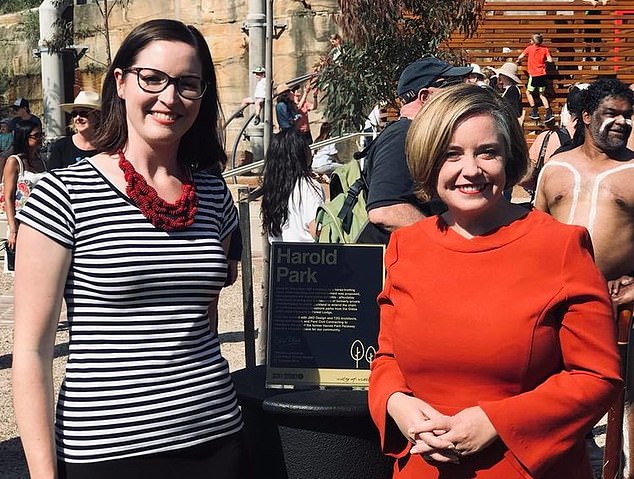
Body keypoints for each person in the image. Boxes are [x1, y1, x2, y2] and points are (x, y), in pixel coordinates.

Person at [12, 19, 251, 479]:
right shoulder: (62, 194)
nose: (169, 97)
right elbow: (31, 351)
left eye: (188, 84)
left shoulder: (213, 194)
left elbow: (201, 318)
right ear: (120, 83)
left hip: (217, 438)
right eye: (153, 78)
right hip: (107, 452)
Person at [368, 83, 621, 478]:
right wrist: (397, 404)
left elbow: (596, 377)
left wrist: (496, 421)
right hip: (425, 463)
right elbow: (387, 359)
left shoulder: (560, 247)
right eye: (451, 154)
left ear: (509, 158)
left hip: (524, 466)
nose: (470, 170)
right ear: (429, 162)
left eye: (487, 152)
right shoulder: (406, 246)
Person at [365, 56, 472, 236]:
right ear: (425, 96)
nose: (459, 91)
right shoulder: (402, 135)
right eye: (451, 85)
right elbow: (385, 210)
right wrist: (448, 242)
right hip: (400, 259)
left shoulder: (417, 135)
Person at [261, 128, 324, 242]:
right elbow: (318, 231)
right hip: (307, 256)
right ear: (300, 154)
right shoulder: (309, 188)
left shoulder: (273, 189)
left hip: (279, 256)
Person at [1, 122, 46, 254]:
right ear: (25, 137)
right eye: (36, 136)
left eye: (41, 135)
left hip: (42, 219)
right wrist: (13, 228)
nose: (40, 138)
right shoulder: (14, 162)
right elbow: (8, 197)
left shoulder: (42, 161)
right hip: (22, 220)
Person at [47, 90, 101, 169]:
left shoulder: (106, 147)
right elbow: (52, 177)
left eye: (83, 113)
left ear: (97, 116)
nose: (78, 118)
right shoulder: (61, 146)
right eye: (74, 114)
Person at [516, 33, 554, 122]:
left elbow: (520, 57)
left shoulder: (529, 48)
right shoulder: (545, 49)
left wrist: (518, 60)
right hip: (542, 74)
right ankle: (548, 112)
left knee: (528, 92)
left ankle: (534, 111)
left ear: (533, 41)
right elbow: (550, 60)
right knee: (542, 94)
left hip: (533, 74)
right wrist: (544, 62)